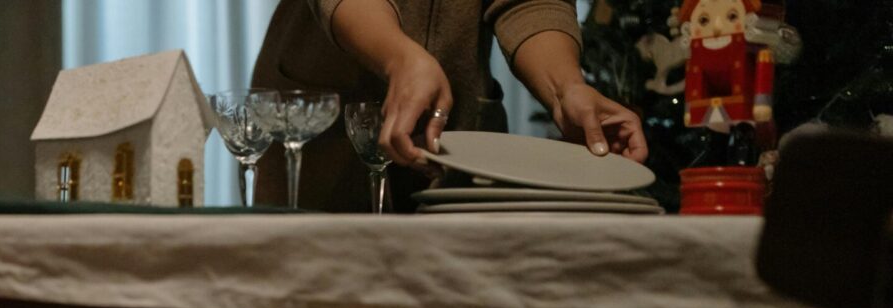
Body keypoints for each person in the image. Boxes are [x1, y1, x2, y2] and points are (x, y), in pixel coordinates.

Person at [251, 0, 649, 210]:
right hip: (332, 132)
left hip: (457, 138)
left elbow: (531, 3)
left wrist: (566, 88)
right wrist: (401, 58)